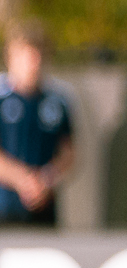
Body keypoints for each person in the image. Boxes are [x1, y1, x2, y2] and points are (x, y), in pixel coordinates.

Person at [0, 20, 73, 226]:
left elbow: (69, 153)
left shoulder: (57, 100)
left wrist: (46, 179)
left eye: (37, 56)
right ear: (11, 57)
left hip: (44, 211)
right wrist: (22, 180)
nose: (33, 63)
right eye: (25, 55)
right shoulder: (1, 98)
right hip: (4, 210)